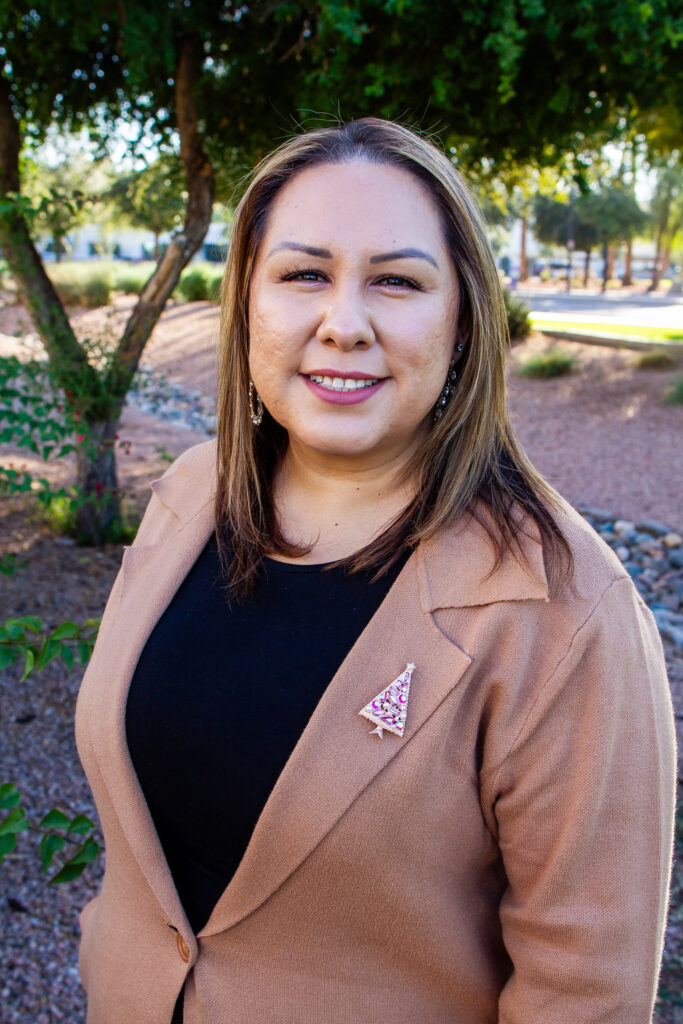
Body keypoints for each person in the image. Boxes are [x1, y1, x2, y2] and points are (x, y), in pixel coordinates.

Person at [75, 118, 676, 1024]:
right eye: (303, 274)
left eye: (395, 281)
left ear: (465, 320)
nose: (343, 324)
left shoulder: (559, 613)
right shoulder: (189, 494)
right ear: (247, 302)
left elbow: (583, 994)